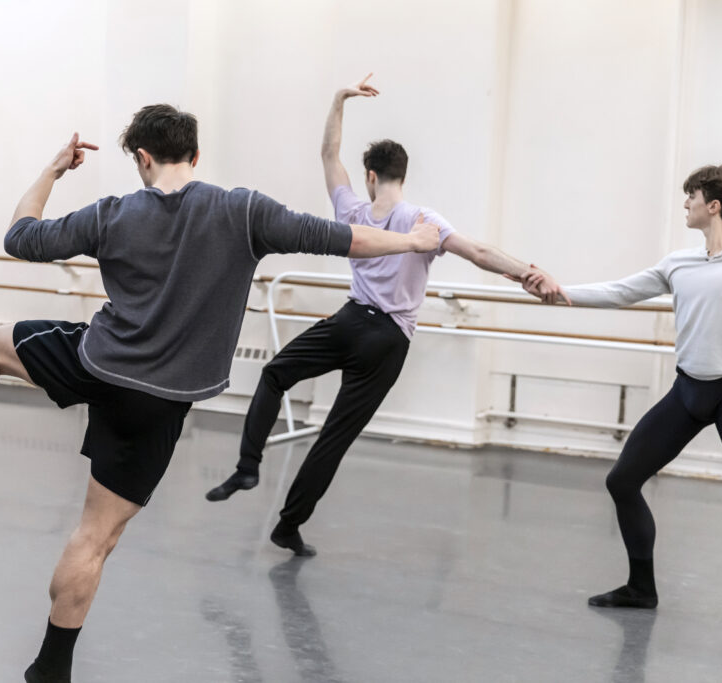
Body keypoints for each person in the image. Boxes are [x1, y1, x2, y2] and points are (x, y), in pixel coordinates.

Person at [0, 104, 442, 683]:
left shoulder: (113, 214)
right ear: (194, 154)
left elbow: (21, 236)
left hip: (98, 363)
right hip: (163, 400)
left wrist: (53, 170)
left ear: (142, 157)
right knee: (96, 537)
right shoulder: (243, 210)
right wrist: (413, 242)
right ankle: (50, 668)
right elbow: (344, 239)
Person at [205, 74, 569, 557]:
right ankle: (288, 526)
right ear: (402, 175)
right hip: (389, 340)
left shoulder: (352, 209)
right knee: (334, 437)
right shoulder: (424, 221)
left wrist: (339, 100)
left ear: (371, 176)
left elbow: (329, 156)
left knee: (274, 375)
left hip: (349, 323)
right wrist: (528, 274)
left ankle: (249, 466)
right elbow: (478, 252)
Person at [523, 164, 722, 664]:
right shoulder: (678, 262)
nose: (685, 204)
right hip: (687, 392)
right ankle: (642, 587)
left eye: (691, 196)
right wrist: (561, 291)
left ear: (714, 205)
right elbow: (621, 291)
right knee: (622, 481)